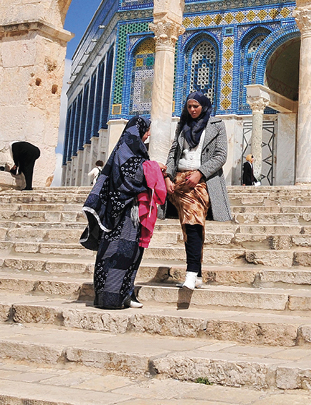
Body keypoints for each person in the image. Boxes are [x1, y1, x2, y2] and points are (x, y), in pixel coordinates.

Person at [82, 117, 164, 310]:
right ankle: (110, 298)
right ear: (137, 131)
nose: (149, 134)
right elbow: (128, 176)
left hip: (130, 213)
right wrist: (153, 167)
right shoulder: (124, 151)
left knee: (130, 253)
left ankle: (125, 294)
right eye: (146, 130)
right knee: (116, 253)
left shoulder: (133, 151)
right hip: (120, 214)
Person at [164, 91, 232, 290]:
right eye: (189, 107)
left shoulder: (216, 125)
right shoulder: (182, 125)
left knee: (193, 223)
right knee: (190, 225)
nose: (192, 110)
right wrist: (168, 176)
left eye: (196, 106)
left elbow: (221, 155)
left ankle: (192, 273)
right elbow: (172, 154)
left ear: (204, 106)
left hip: (201, 181)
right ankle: (197, 273)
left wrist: (199, 173)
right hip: (180, 180)